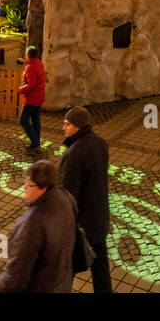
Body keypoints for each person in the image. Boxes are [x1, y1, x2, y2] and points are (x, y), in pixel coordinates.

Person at [0, 160, 80, 293]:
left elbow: (17, 275)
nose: (24, 188)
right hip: (62, 283)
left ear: (42, 188)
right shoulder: (65, 197)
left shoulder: (33, 224)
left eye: (28, 185)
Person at [59, 106, 111, 293]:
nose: (63, 128)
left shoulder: (74, 154)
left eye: (67, 124)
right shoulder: (101, 143)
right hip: (99, 217)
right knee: (100, 266)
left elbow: (68, 193)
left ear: (78, 126)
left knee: (66, 268)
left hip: (81, 224)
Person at [18, 45, 46, 150]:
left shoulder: (30, 67)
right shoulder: (39, 63)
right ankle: (37, 142)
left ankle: (34, 142)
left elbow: (32, 84)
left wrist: (21, 89)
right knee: (35, 119)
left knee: (23, 120)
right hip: (39, 97)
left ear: (27, 55)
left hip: (32, 99)